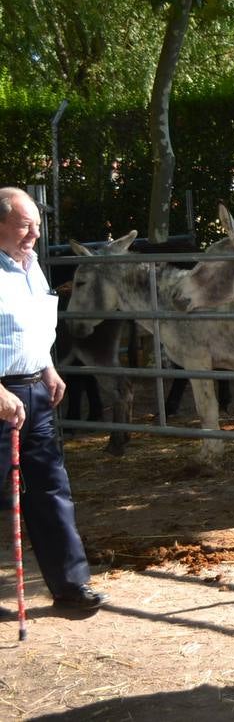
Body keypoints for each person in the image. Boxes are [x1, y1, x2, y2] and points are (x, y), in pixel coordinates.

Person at [0, 187, 107, 612]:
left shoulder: (33, 270)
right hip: (1, 392)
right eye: (26, 225)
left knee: (50, 487)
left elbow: (36, 327)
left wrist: (48, 369)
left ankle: (70, 584)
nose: (34, 235)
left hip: (34, 391)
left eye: (37, 227)